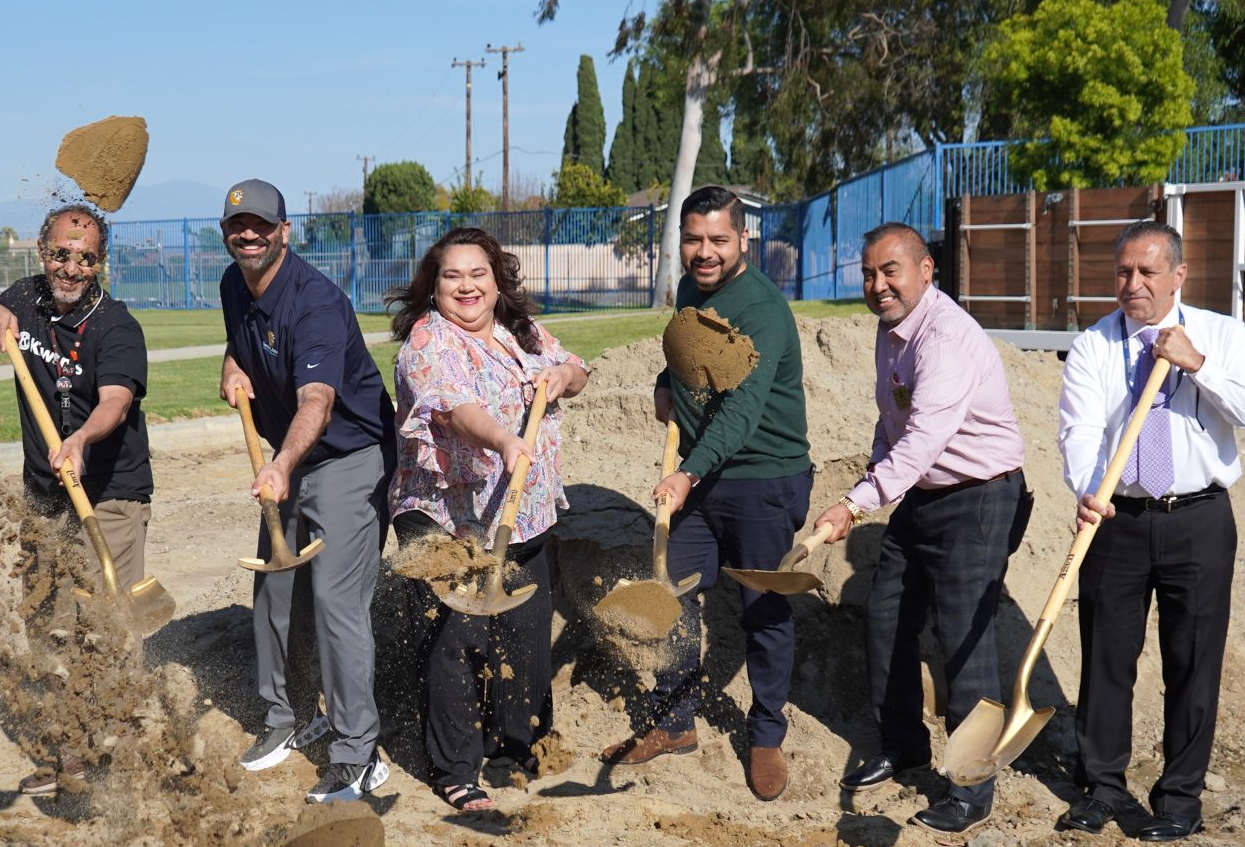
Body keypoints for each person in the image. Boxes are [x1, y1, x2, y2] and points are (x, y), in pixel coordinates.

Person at [1056, 219, 1245, 841]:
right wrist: (1087, 489)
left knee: (1192, 661)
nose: (1133, 285)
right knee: (1106, 660)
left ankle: (1180, 797)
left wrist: (1198, 365)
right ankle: (1102, 787)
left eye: (1148, 273)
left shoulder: (1220, 335)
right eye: (1124, 273)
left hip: (1199, 520)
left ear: (1178, 276)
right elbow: (1078, 430)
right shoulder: (1095, 346)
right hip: (1118, 520)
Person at [816, 224, 1032, 833]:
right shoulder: (891, 331)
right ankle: (903, 745)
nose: (877, 285)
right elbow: (893, 424)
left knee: (965, 636)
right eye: (868, 273)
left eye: (891, 271)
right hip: (925, 493)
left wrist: (853, 506)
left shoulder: (945, 340)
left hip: (981, 496)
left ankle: (970, 788)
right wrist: (872, 475)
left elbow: (920, 443)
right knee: (887, 613)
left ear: (926, 269)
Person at [603, 185, 815, 801]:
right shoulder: (695, 290)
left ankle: (766, 734)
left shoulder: (763, 311)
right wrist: (663, 385)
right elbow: (688, 349)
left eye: (718, 240)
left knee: (763, 607)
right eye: (693, 239)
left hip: (762, 479)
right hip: (701, 473)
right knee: (675, 594)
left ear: (742, 239)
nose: (704, 252)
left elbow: (742, 411)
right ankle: (674, 722)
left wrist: (686, 474)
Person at [389, 227, 590, 812]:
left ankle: (515, 747)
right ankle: (455, 768)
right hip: (448, 517)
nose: (467, 286)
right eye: (453, 276)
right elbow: (454, 409)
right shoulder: (428, 342)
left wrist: (560, 378)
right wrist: (503, 439)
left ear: (498, 280)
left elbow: (576, 369)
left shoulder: (520, 331)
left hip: (521, 514)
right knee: (455, 635)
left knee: (525, 635)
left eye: (479, 274)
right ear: (434, 286)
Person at [216, 178, 397, 803]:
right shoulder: (231, 285)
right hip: (292, 458)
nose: (248, 235)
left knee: (335, 600)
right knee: (272, 586)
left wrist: (283, 462)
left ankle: (358, 753)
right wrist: (233, 364)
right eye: (237, 226)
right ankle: (285, 719)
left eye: (261, 226)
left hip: (348, 454)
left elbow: (317, 399)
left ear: (284, 232)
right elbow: (244, 344)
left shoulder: (316, 301)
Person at [0, 206, 154, 796]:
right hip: (45, 495)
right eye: (60, 254)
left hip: (110, 493)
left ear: (101, 262)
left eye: (85, 257)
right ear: (41, 251)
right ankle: (67, 753)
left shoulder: (115, 325)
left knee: (107, 625)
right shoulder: (23, 298)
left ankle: (118, 755)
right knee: (48, 623)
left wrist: (79, 439)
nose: (71, 268)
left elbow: (115, 402)